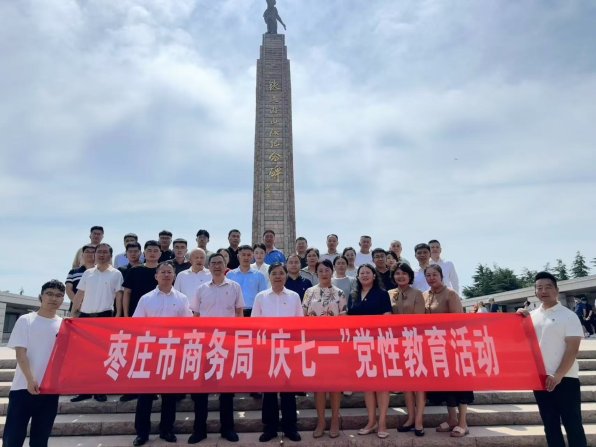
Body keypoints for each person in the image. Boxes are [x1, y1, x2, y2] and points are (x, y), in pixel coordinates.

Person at [516, 271, 587, 447]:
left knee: (573, 425)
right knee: (550, 426)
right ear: (535, 292)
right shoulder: (531, 317)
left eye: (548, 287)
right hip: (541, 380)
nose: (543, 291)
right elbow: (519, 342)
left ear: (556, 290)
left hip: (566, 378)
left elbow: (572, 348)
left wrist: (558, 375)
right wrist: (517, 320)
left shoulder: (568, 315)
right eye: (539, 288)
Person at [132, 261, 193, 446]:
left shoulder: (182, 298)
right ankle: (142, 433)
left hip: (172, 352)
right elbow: (136, 325)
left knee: (169, 395)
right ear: (156, 276)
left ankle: (167, 429)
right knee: (145, 396)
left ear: (174, 275)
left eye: (169, 272)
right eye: (163, 272)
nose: (166, 275)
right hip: (150, 352)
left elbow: (188, 325)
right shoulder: (146, 299)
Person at [188, 253, 244, 443]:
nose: (217, 266)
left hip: (227, 343)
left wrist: (237, 339)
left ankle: (227, 428)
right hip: (205, 344)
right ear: (209, 266)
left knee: (226, 389)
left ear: (225, 264)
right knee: (201, 390)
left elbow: (239, 313)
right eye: (213, 263)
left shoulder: (235, 287)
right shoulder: (201, 289)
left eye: (220, 262)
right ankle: (199, 430)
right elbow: (195, 316)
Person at [2, 280, 65, 447]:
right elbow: (20, 353)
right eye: (49, 294)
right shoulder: (26, 320)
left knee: (40, 439)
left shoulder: (64, 325)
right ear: (41, 296)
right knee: (13, 438)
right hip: (23, 387)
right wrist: (30, 379)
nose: (54, 298)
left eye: (59, 295)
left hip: (49, 390)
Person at [252, 263, 302, 443]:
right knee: (269, 391)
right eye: (274, 273)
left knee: (288, 390)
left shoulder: (294, 296)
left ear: (286, 276)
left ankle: (290, 427)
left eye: (281, 273)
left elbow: (300, 323)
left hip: (288, 349)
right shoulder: (261, 297)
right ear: (269, 276)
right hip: (267, 349)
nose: (278, 276)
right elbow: (254, 324)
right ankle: (270, 427)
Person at [423, 264, 472, 438]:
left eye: (434, 275)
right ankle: (452, 419)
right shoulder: (425, 295)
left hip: (453, 345)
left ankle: (463, 422)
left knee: (460, 384)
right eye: (428, 275)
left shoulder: (451, 294)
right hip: (435, 347)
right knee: (446, 385)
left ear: (441, 276)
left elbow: (458, 321)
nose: (431, 278)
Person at [71, 243, 123, 403]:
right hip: (85, 317)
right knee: (84, 355)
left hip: (104, 317)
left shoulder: (116, 273)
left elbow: (119, 296)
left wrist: (118, 315)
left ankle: (100, 389)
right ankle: (84, 390)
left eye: (105, 252)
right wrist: (73, 314)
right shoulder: (88, 273)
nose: (101, 254)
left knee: (102, 355)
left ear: (110, 255)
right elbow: (79, 294)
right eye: (99, 252)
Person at [302, 260, 347, 439]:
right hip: (315, 344)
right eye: (320, 270)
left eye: (327, 270)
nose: (323, 273)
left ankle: (335, 419)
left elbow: (344, 318)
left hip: (334, 344)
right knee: (319, 385)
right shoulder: (309, 292)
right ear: (316, 273)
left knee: (335, 384)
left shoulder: (340, 293)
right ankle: (321, 421)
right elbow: (303, 317)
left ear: (332, 271)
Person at [347, 264, 392, 439]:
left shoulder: (382, 294)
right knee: (367, 385)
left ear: (374, 275)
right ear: (357, 277)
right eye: (361, 273)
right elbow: (349, 317)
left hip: (379, 343)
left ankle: (382, 423)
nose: (364, 275)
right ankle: (371, 421)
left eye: (368, 272)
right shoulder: (353, 295)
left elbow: (387, 316)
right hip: (360, 344)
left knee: (382, 384)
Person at [388, 263, 425, 437]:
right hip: (397, 343)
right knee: (406, 383)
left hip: (415, 341)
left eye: (404, 273)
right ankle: (410, 417)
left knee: (418, 383)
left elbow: (419, 319)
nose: (400, 276)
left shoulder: (417, 294)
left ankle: (419, 419)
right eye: (397, 273)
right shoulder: (389, 294)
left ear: (410, 276)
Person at [122, 241, 161, 318]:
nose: (152, 253)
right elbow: (127, 293)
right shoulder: (134, 270)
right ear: (144, 253)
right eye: (149, 250)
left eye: (155, 251)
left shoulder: (164, 271)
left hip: (158, 312)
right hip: (136, 312)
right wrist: (126, 315)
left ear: (160, 254)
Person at [227, 245, 268, 317]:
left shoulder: (260, 275)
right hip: (235, 312)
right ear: (238, 256)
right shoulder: (230, 275)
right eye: (243, 255)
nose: (246, 257)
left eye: (249, 255)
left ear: (252, 257)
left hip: (253, 312)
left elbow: (263, 297)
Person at [65, 245, 96, 313]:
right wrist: (78, 304)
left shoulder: (101, 272)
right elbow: (68, 289)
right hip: (76, 309)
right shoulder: (73, 272)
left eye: (93, 252)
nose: (90, 254)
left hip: (96, 310)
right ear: (82, 255)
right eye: (87, 252)